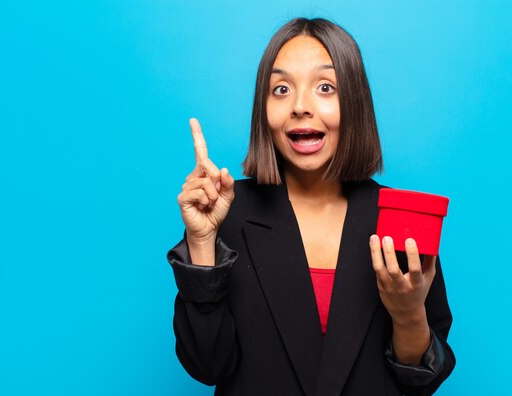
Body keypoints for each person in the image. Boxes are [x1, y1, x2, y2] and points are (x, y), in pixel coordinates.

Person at [167, 17, 455, 395]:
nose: (301, 106)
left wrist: (408, 314)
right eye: (281, 88)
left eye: (325, 87)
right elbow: (208, 366)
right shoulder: (226, 213)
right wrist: (202, 243)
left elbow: (418, 380)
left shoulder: (397, 219)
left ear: (354, 102)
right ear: (264, 111)